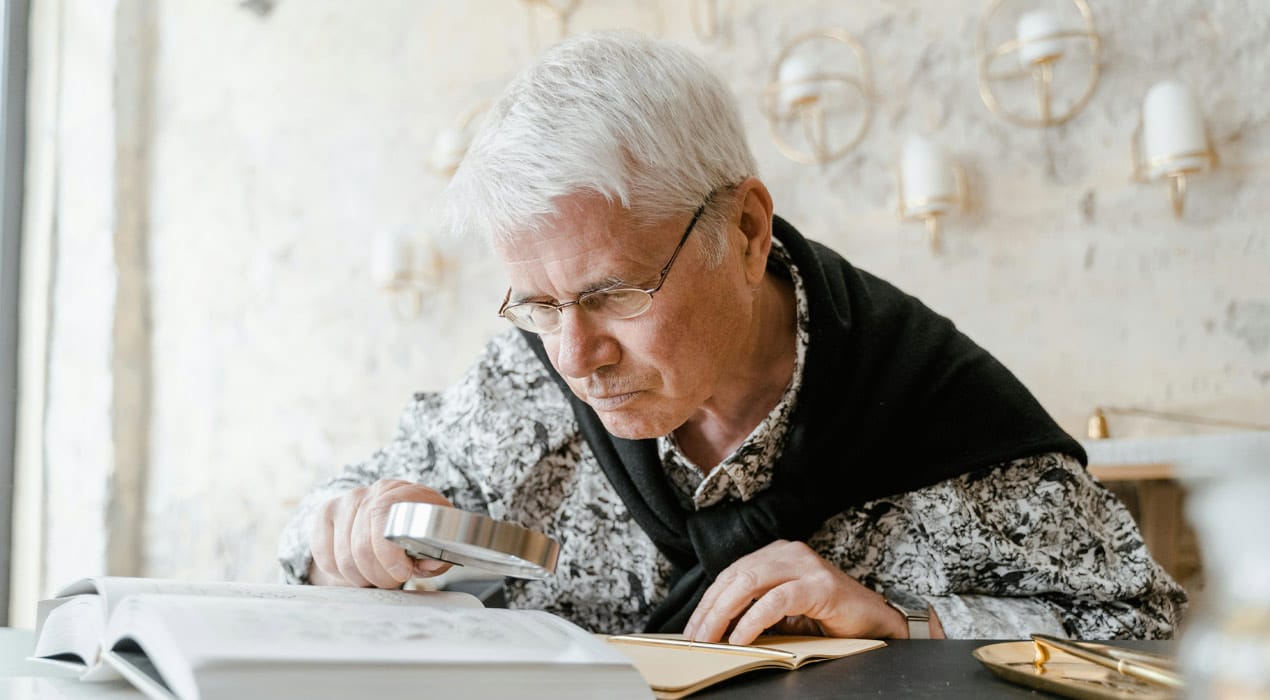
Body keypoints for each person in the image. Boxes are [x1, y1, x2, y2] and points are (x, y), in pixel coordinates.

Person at [279, 31, 1185, 642]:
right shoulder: (522, 388)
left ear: (746, 232)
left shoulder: (931, 402)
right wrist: (349, 535)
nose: (573, 357)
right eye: (539, 305)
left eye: (613, 294)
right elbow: (321, 528)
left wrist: (907, 625)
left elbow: (1142, 630)